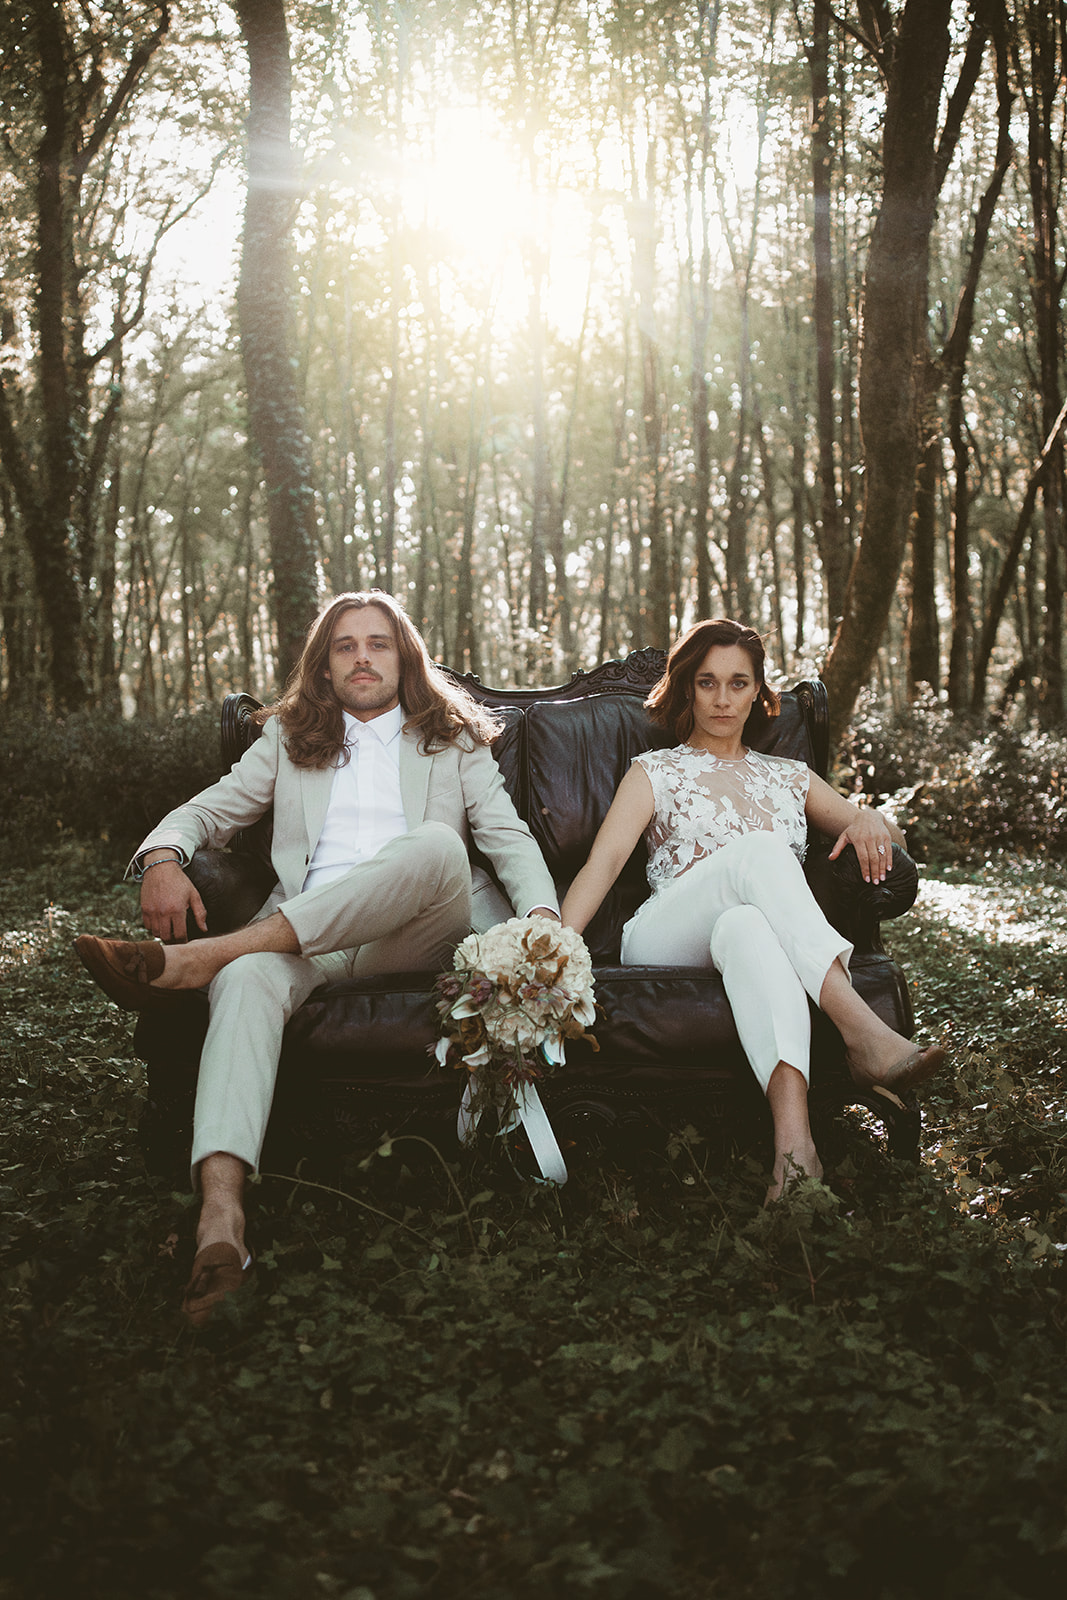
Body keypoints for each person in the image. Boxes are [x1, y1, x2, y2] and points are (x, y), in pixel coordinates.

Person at [76, 591, 559, 1324]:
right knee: (246, 979)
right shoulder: (289, 740)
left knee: (435, 846)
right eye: (345, 645)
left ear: (404, 658)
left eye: (378, 643)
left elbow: (506, 837)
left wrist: (544, 919)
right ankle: (221, 1220)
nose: (362, 656)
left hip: (419, 936)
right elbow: (210, 808)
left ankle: (210, 956)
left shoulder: (449, 740)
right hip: (310, 941)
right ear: (325, 666)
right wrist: (163, 857)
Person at [560, 618, 945, 1204]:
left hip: (738, 936)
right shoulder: (655, 771)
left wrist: (868, 817)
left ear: (758, 691)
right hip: (665, 934)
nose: (722, 699)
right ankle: (862, 1030)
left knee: (747, 925)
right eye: (707, 682)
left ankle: (795, 1157)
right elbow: (604, 864)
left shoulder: (788, 777)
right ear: (687, 688)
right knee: (761, 852)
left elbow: (888, 837)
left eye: (738, 683)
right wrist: (557, 949)